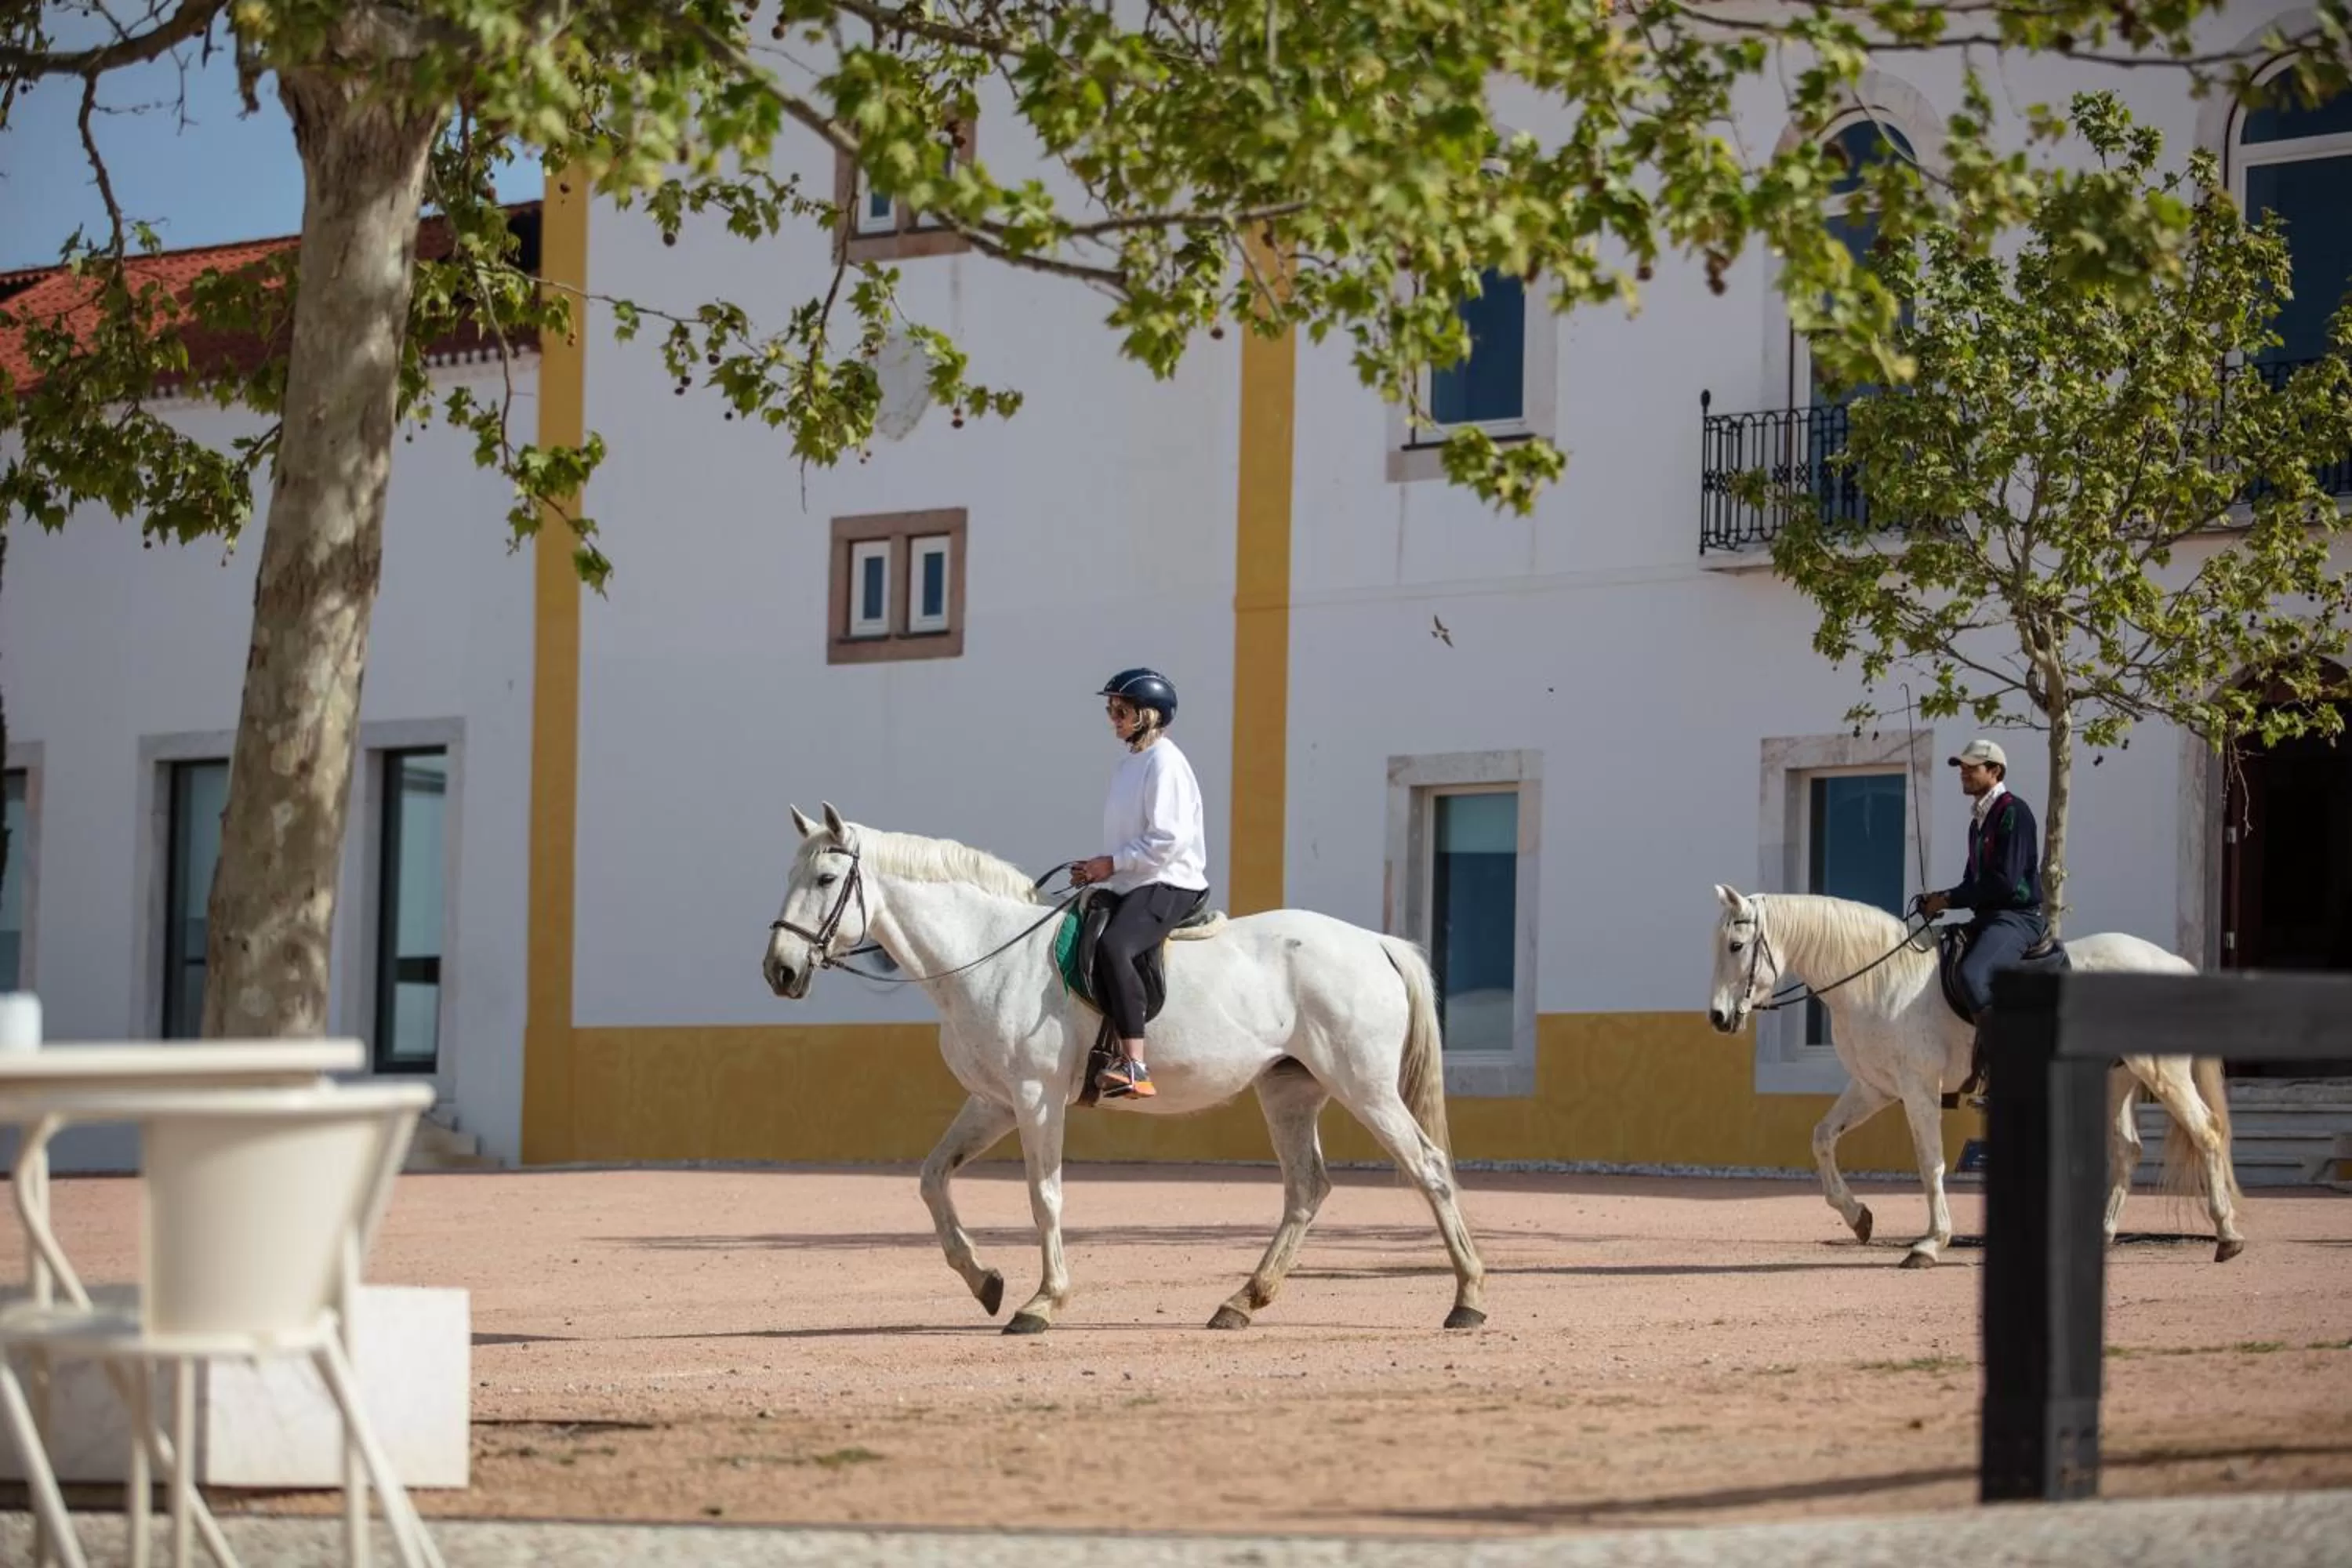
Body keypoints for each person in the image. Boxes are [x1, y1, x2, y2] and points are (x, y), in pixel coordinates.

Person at [1067, 667, 1210, 1100]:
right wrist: (1098, 869)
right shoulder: (1129, 763)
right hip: (1136, 880)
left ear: (1148, 715)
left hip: (1170, 882)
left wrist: (1110, 863)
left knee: (1116, 947)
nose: (1113, 717)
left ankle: (1135, 1065)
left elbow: (1169, 840)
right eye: (1111, 709)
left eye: (1121, 710)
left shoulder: (1165, 763)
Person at [1918, 737, 2045, 1096]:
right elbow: (1972, 881)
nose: (1964, 774)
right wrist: (1941, 898)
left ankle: (2001, 1062)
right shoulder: (1978, 822)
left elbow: (2004, 881)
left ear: (1995, 771)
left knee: (1974, 975)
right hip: (1987, 918)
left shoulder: (2013, 812)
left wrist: (1948, 900)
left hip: (2016, 918)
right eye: (1962, 768)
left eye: (1971, 768)